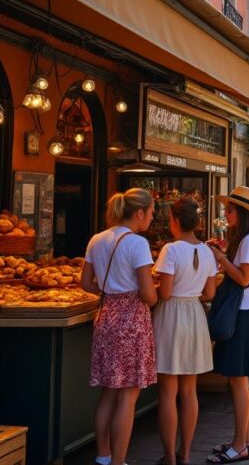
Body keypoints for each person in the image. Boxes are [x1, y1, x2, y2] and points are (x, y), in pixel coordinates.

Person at [80, 188, 157, 465]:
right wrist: (151, 293)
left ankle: (103, 455)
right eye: (150, 213)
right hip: (131, 320)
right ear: (139, 213)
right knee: (128, 395)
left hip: (106, 314)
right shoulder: (137, 244)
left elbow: (86, 283)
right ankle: (119, 461)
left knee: (108, 391)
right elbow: (148, 295)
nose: (151, 218)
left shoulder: (97, 239)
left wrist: (110, 287)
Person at [206, 187, 249, 463]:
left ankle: (240, 445)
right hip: (247, 310)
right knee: (238, 380)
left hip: (245, 312)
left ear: (242, 213)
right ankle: (244, 440)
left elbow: (244, 278)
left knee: (239, 380)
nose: (225, 213)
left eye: (230, 209)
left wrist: (220, 259)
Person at [153, 198, 217, 465]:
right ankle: (186, 453)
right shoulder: (207, 251)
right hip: (195, 316)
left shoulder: (171, 250)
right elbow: (210, 292)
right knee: (190, 391)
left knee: (168, 391)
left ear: (175, 221)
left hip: (171, 316)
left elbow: (165, 292)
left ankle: (169, 457)